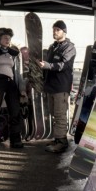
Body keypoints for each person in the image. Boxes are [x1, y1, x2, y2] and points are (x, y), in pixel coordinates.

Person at [40, 20, 76, 153]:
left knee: (60, 114)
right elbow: (48, 64)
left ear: (64, 32)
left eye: (57, 30)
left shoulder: (69, 47)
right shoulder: (52, 47)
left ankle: (62, 142)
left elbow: (64, 65)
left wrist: (47, 65)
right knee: (54, 113)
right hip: (51, 86)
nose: (54, 32)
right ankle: (57, 138)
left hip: (61, 86)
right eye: (53, 29)